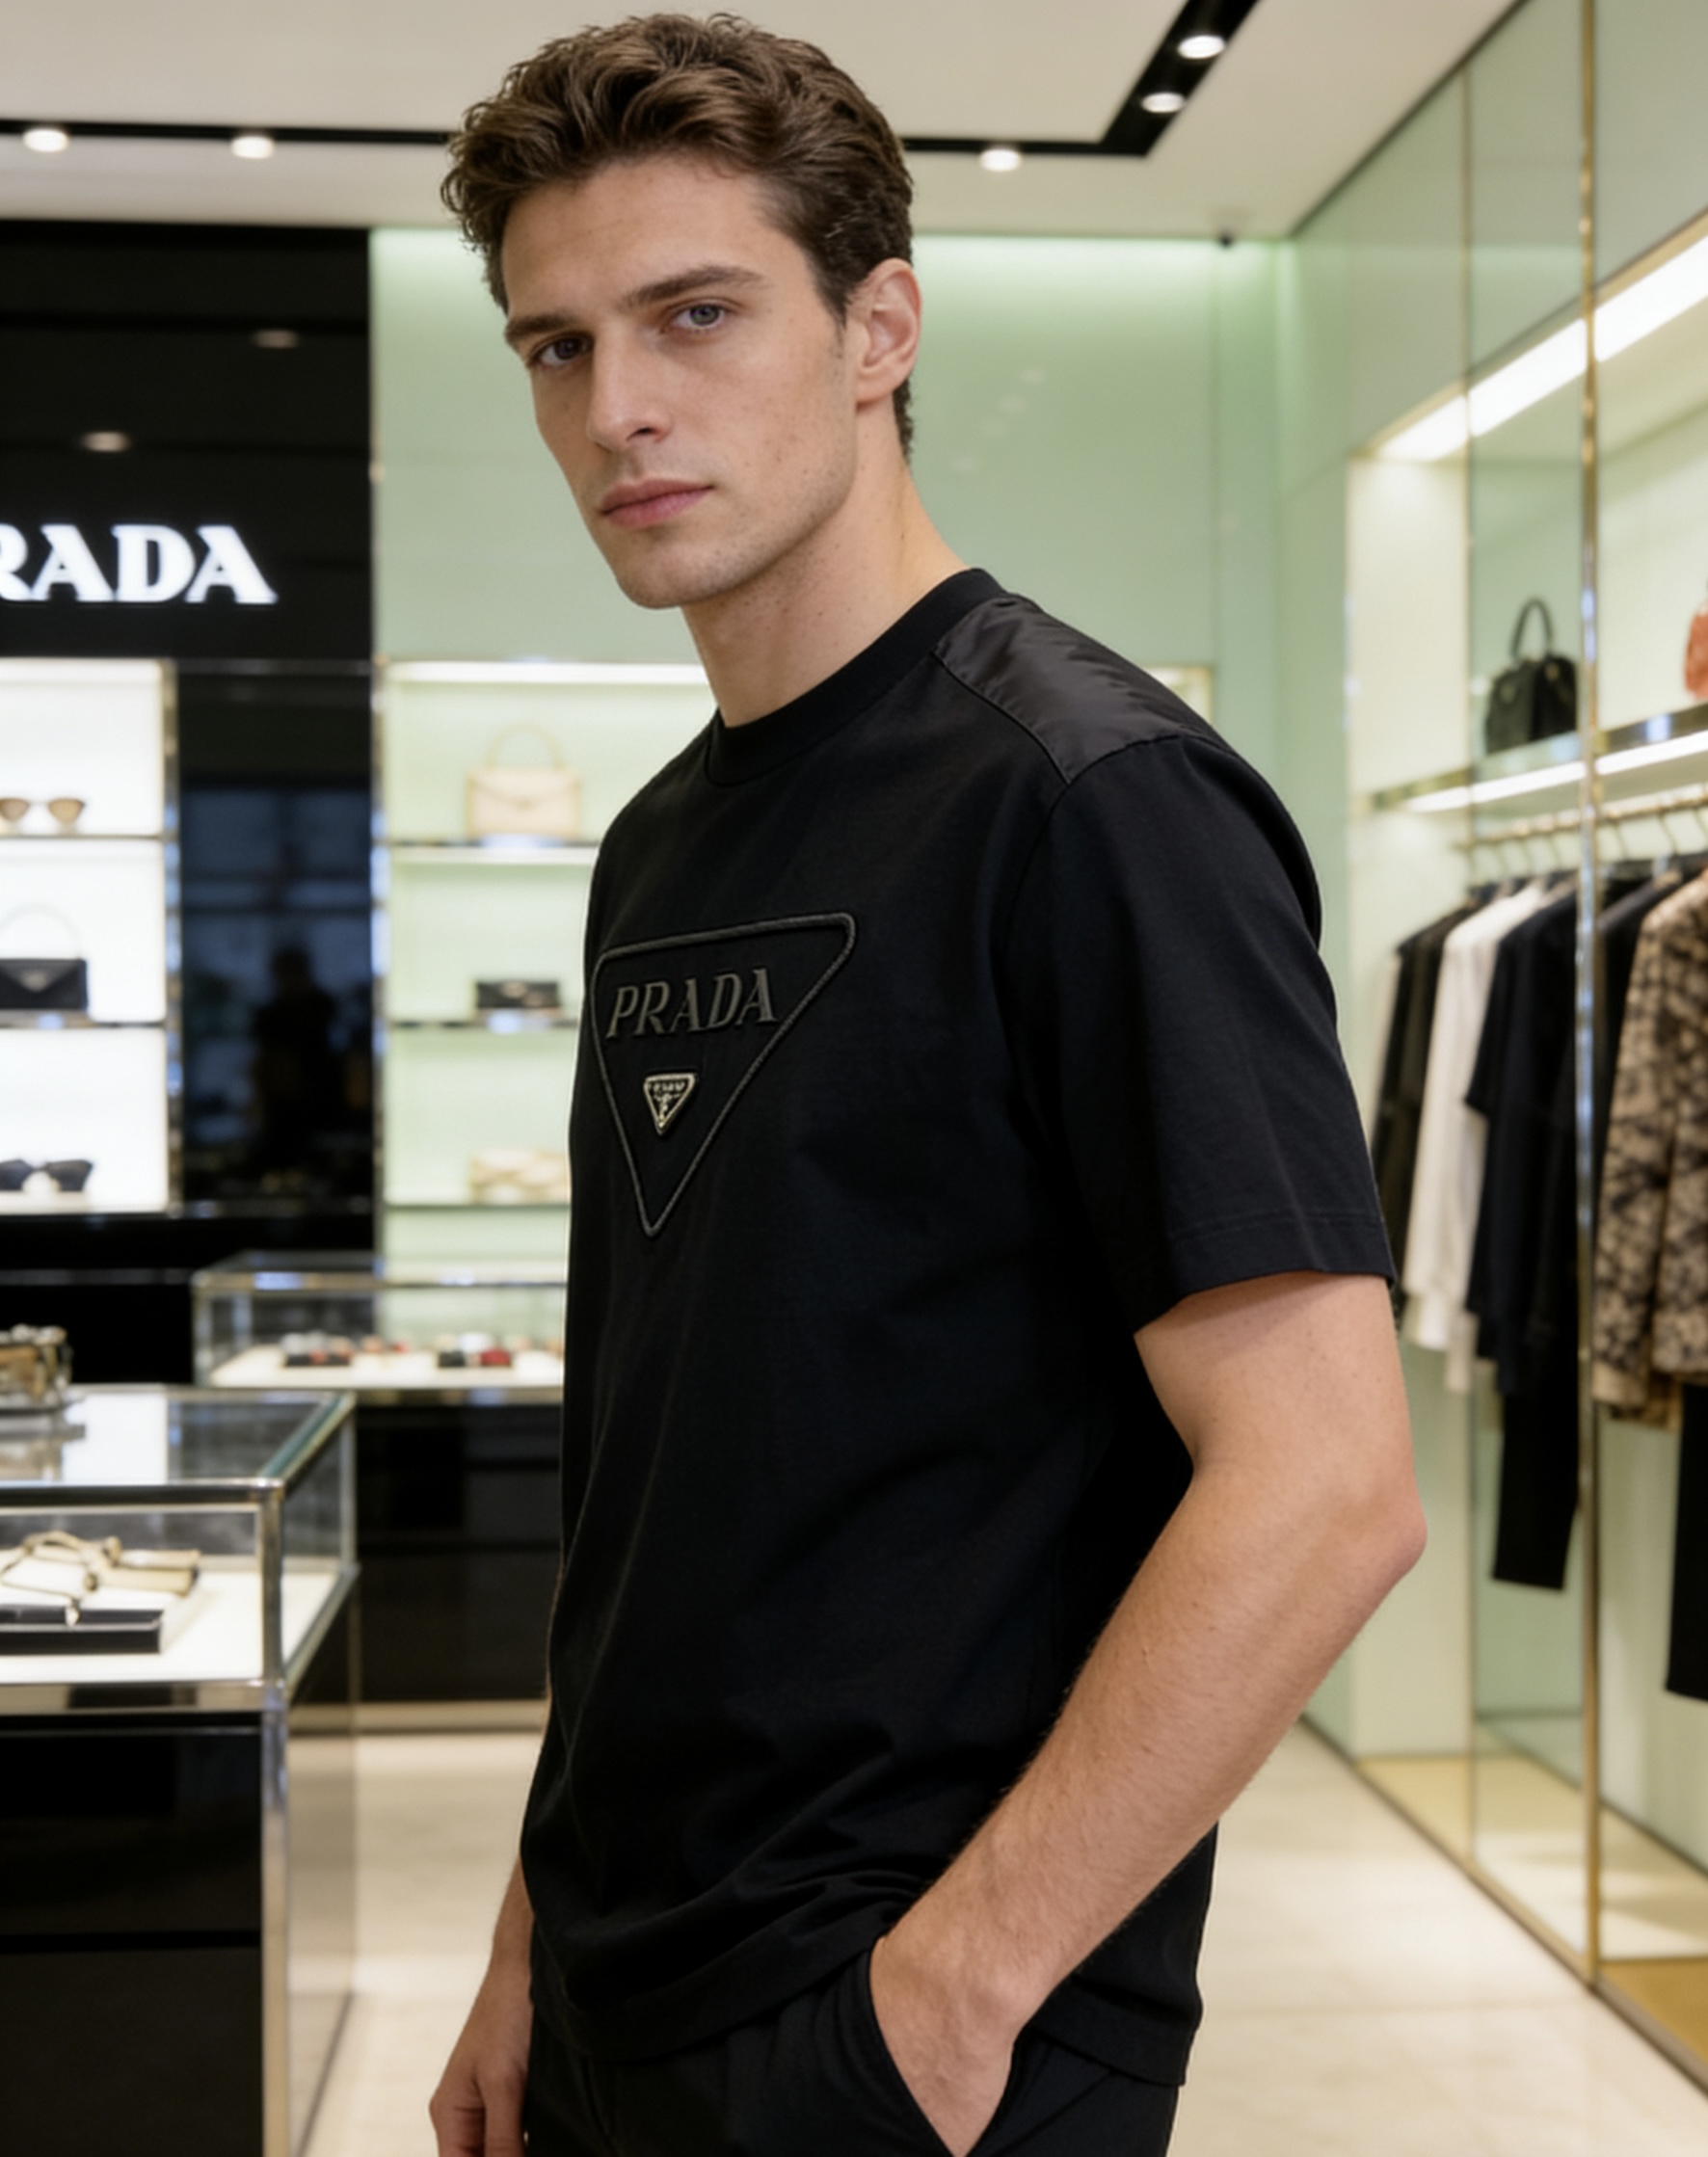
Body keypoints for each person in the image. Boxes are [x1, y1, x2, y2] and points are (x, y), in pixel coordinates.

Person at [430, 17, 1424, 2156]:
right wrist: (528, 1929)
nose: (616, 408)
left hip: (900, 2013)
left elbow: (1328, 1483)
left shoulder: (1089, 795)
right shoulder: (660, 843)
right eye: (555, 346)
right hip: (618, 1973)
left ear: (878, 328)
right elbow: (660, 1463)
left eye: (697, 315)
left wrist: (958, 1987)